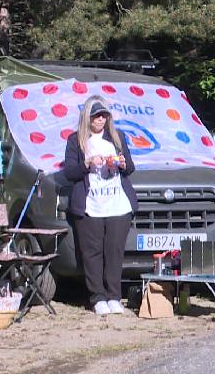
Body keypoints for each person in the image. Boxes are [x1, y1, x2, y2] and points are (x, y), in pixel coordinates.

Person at [63, 96, 138, 315]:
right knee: (92, 252)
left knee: (114, 251)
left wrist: (122, 164)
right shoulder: (76, 140)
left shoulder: (117, 137)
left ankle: (114, 296)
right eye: (96, 116)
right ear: (88, 117)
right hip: (90, 205)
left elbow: (130, 168)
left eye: (104, 115)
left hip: (117, 204)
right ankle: (98, 297)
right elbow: (69, 173)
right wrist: (86, 163)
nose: (101, 120)